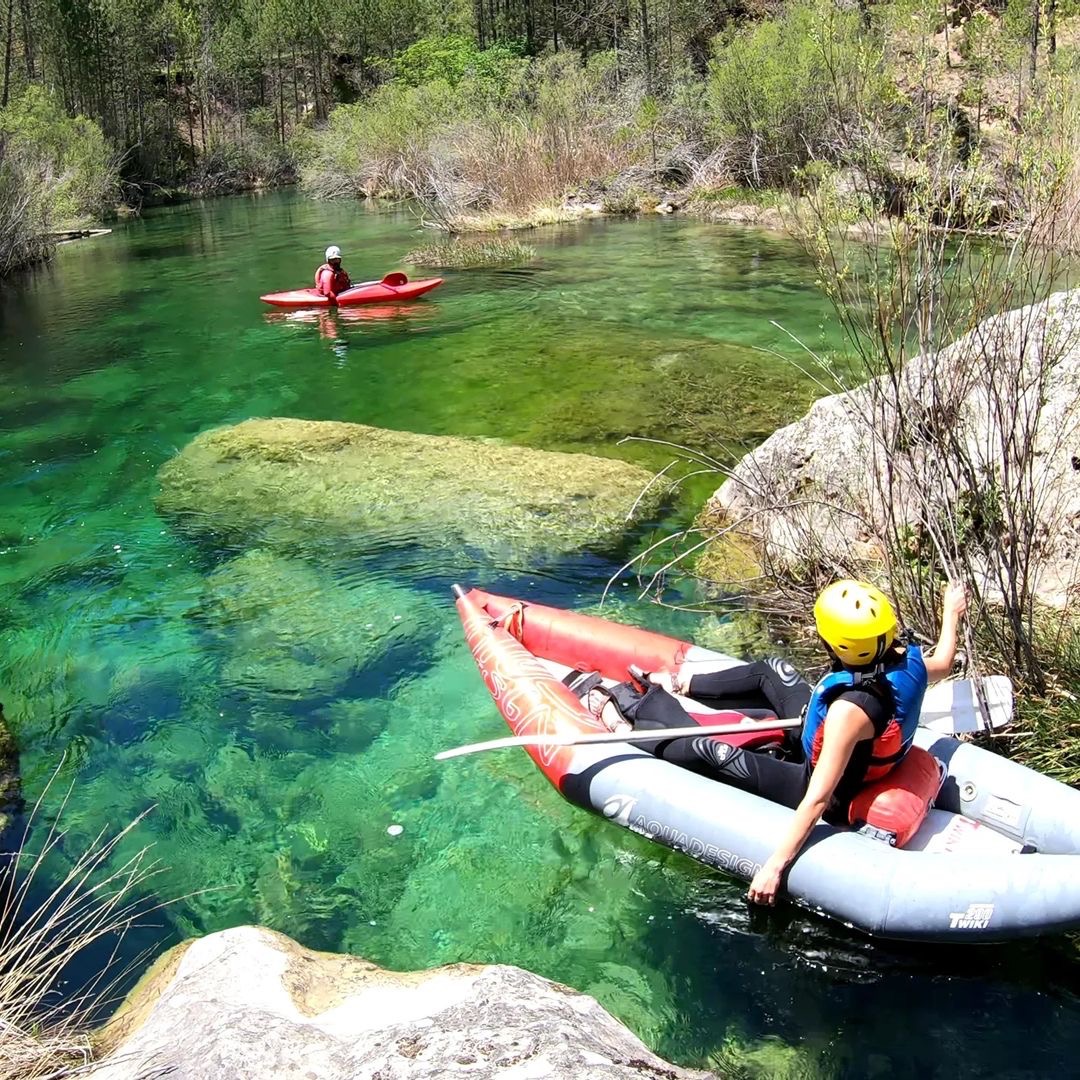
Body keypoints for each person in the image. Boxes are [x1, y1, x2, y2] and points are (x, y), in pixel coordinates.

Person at [576, 579, 967, 906]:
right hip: (829, 739)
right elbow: (945, 662)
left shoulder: (850, 712)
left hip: (825, 785)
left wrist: (774, 866)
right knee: (772, 672)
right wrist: (952, 613)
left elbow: (816, 797)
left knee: (713, 752)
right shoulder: (908, 658)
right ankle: (679, 683)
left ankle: (630, 722)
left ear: (839, 645)